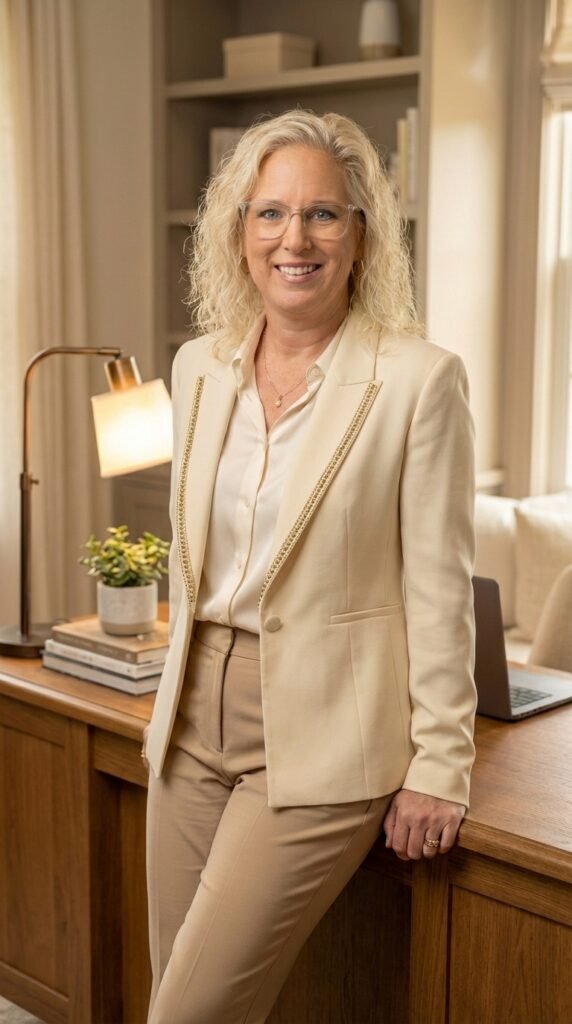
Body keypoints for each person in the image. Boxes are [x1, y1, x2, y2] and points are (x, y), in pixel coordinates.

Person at [143, 109, 477, 1024]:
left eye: (325, 215)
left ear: (363, 236)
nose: (296, 238)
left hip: (326, 725)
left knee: (189, 1015)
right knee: (177, 987)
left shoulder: (417, 380)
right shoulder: (198, 368)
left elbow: (439, 588)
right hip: (189, 724)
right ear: (238, 232)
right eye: (271, 214)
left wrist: (441, 763)